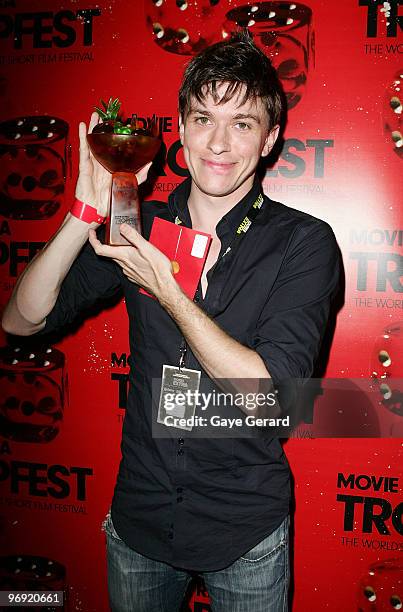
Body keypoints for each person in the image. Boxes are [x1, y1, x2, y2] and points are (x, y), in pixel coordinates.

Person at [2, 33, 340, 612]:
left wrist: (168, 290)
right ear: (180, 129)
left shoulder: (303, 243)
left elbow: (274, 399)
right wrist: (85, 214)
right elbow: (21, 321)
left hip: (246, 532)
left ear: (270, 139)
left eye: (242, 123)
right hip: (141, 522)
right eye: (204, 118)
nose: (218, 142)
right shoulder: (139, 225)